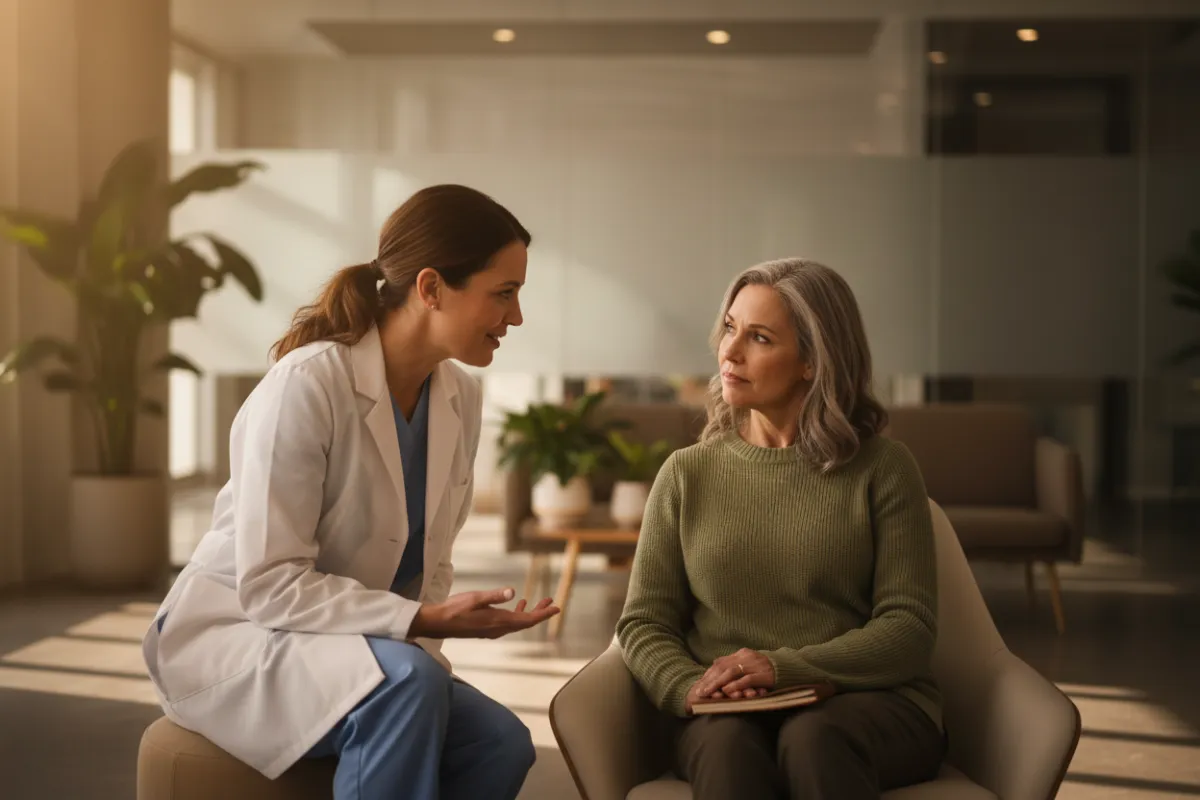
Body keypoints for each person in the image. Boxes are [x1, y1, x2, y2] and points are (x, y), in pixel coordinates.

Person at [141, 184, 559, 800]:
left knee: (501, 742)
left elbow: (431, 565)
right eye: (504, 293)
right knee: (406, 689)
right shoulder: (306, 386)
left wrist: (427, 634)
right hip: (240, 632)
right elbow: (270, 583)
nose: (516, 317)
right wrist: (416, 624)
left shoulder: (460, 399)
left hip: (352, 643)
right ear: (431, 288)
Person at [615, 258, 945, 800]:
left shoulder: (884, 468)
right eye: (729, 328)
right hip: (722, 714)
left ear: (812, 363)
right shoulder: (686, 473)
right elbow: (644, 622)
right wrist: (689, 688)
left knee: (814, 738)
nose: (730, 351)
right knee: (728, 750)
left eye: (760, 338)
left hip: (866, 705)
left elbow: (909, 628)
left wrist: (782, 667)